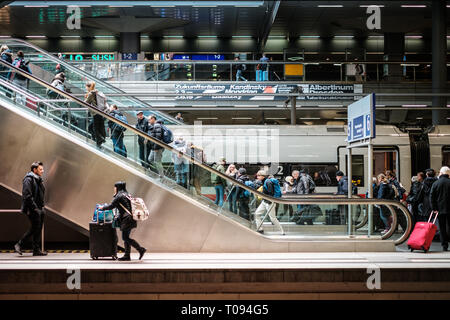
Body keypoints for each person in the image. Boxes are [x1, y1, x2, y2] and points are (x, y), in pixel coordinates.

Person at [99, 181, 146, 261]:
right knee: (126, 237)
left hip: (127, 219)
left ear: (118, 187)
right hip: (130, 218)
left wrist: (102, 208)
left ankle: (140, 249)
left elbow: (111, 206)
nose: (114, 189)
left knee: (125, 237)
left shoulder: (119, 196)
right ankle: (127, 255)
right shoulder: (127, 194)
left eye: (115, 187)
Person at [14, 161, 47, 256]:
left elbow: (40, 194)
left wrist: (42, 207)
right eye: (40, 169)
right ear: (34, 169)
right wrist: (35, 208)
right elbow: (27, 195)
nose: (42, 171)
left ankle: (36, 250)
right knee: (34, 228)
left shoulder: (38, 179)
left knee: (38, 228)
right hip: (33, 209)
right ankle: (19, 244)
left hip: (39, 208)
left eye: (42, 169)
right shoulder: (28, 179)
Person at [254, 171, 284, 235]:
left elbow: (271, 192)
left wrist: (263, 194)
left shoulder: (268, 182)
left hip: (269, 202)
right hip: (265, 201)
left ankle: (282, 231)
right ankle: (260, 229)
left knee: (273, 218)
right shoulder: (264, 181)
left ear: (263, 176)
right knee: (257, 214)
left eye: (259, 176)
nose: (257, 177)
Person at [430, 166, 450, 251]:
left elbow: (432, 197)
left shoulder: (436, 183)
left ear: (441, 173)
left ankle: (444, 245)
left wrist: (434, 208)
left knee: (442, 227)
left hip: (439, 209)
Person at [85, 81, 106, 148]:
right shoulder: (97, 92)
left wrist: (86, 97)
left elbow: (86, 102)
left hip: (95, 112)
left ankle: (99, 140)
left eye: (86, 87)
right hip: (100, 112)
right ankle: (99, 139)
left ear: (88, 87)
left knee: (95, 128)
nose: (86, 89)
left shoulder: (91, 93)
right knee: (93, 127)